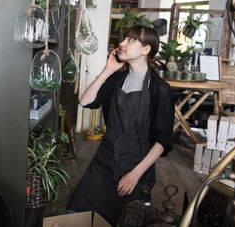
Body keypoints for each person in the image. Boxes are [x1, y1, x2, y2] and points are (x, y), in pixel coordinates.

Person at [67, 25, 174, 225]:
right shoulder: (116, 79)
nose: (122, 44)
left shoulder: (161, 89)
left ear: (146, 49)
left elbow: (162, 142)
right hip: (103, 163)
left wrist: (134, 175)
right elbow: (85, 101)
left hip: (135, 168)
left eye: (130, 40)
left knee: (127, 220)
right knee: (76, 216)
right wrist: (108, 70)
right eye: (124, 39)